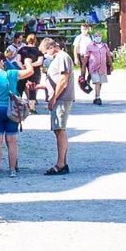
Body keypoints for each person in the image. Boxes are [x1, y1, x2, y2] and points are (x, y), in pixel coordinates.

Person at [0, 51, 34, 177]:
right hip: (12, 110)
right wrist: (28, 62)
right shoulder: (11, 74)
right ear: (2, 62)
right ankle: (12, 170)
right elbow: (30, 72)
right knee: (12, 141)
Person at [43, 38, 75, 176]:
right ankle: (63, 162)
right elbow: (55, 80)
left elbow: (63, 80)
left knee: (60, 130)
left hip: (62, 98)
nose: (45, 55)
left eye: (45, 52)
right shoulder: (58, 58)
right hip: (59, 98)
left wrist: (53, 98)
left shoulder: (62, 57)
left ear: (51, 47)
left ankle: (61, 164)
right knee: (58, 130)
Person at [16, 34, 44, 112]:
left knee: (19, 89)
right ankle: (32, 108)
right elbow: (40, 62)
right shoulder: (38, 50)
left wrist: (23, 67)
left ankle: (17, 107)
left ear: (27, 40)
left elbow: (18, 60)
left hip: (23, 71)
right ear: (35, 40)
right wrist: (30, 65)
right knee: (32, 89)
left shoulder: (22, 49)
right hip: (34, 72)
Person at [84, 32, 113, 105]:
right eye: (96, 36)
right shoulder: (90, 46)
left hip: (102, 68)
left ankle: (96, 96)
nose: (98, 37)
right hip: (93, 68)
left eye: (99, 36)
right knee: (97, 82)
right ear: (94, 37)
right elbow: (86, 56)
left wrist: (111, 65)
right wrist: (83, 66)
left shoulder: (104, 46)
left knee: (100, 83)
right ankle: (98, 98)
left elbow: (108, 55)